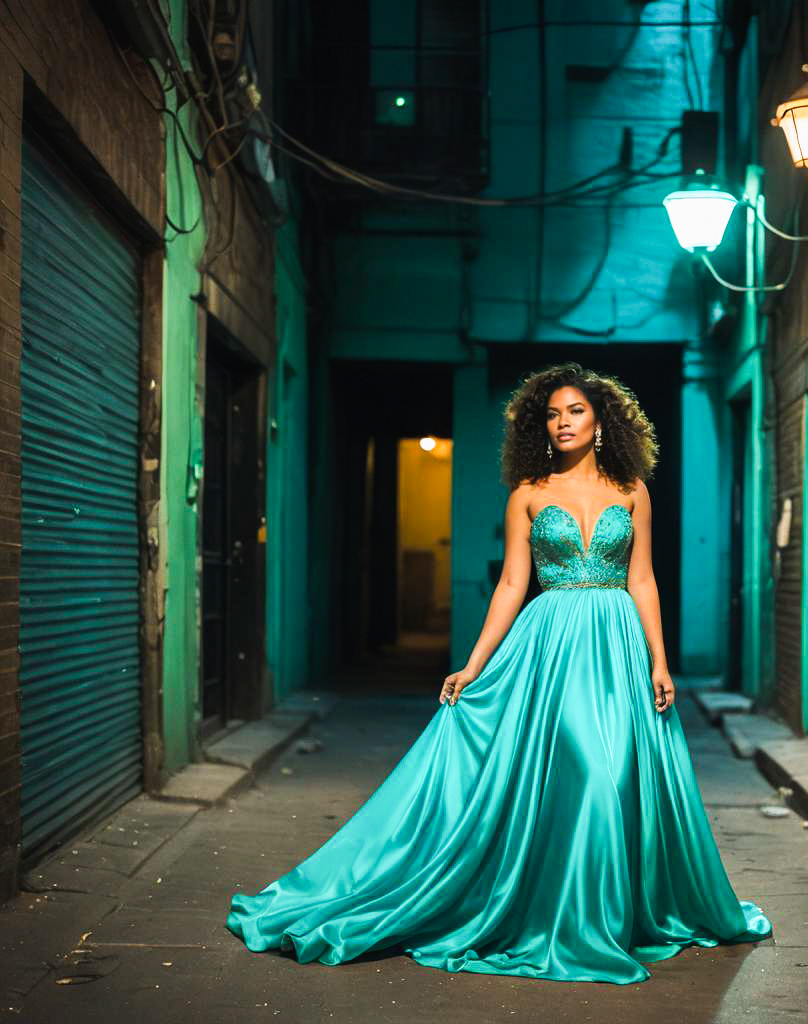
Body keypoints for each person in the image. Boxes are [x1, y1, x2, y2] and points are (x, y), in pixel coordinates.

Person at [225, 361, 772, 984]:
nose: (563, 423)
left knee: (616, 775)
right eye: (553, 414)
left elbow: (642, 578)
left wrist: (659, 659)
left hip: (617, 642)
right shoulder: (529, 493)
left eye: (576, 412)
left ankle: (608, 916)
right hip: (551, 645)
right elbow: (513, 583)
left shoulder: (632, 490)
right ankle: (570, 922)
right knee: (584, 772)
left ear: (600, 424)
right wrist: (474, 663)